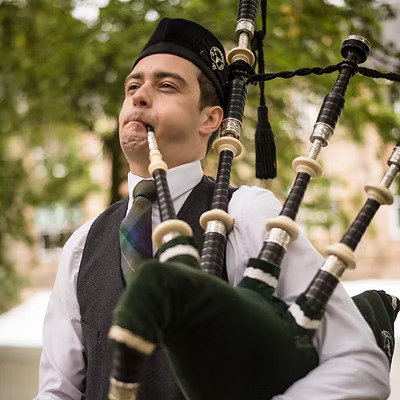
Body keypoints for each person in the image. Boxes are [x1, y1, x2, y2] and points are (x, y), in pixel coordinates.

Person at [35, 17, 390, 400]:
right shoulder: (80, 246)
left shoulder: (247, 215)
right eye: (132, 86)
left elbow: (359, 363)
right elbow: (59, 391)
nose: (138, 96)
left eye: (166, 85)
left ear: (210, 119)